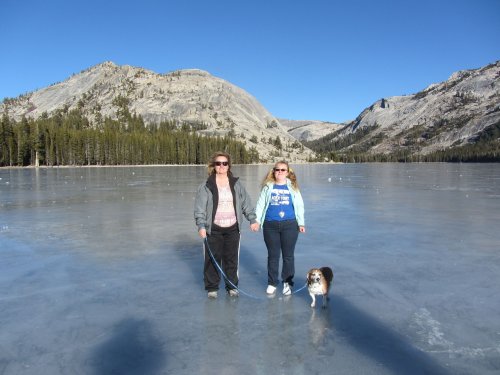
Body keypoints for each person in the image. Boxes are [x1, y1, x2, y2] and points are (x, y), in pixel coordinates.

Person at [194, 151, 260, 299]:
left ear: (229, 166)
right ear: (214, 165)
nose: (221, 166)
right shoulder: (206, 186)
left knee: (231, 259)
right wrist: (201, 226)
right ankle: (212, 288)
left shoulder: (236, 184)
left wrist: (252, 219)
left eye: (224, 163)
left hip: (232, 228)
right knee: (212, 259)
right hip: (214, 228)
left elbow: (245, 203)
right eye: (218, 163)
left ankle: (232, 286)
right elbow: (200, 208)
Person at [254, 160, 305, 296]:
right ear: (273, 171)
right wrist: (257, 221)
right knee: (273, 256)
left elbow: (299, 205)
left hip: (290, 225)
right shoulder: (268, 187)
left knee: (288, 256)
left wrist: (301, 223)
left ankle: (287, 282)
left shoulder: (293, 187)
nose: (280, 172)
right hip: (270, 225)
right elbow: (260, 204)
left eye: (283, 170)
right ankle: (272, 283)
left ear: (287, 172)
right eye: (277, 170)